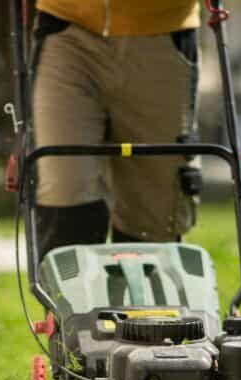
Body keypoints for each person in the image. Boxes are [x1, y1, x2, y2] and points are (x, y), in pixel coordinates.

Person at [31, 1, 202, 260]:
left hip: (163, 32)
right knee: (65, 194)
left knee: (152, 220)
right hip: (67, 32)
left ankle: (145, 299)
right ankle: (67, 296)